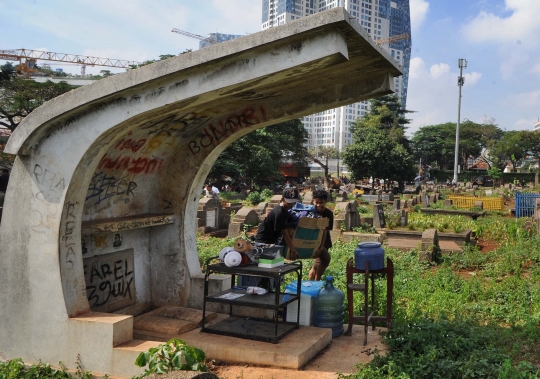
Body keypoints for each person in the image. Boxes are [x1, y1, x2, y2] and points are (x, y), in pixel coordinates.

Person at [255, 188, 301, 259]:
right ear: (282, 199)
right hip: (263, 244)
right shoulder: (279, 213)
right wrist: (293, 251)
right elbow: (285, 234)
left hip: (270, 242)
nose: (292, 204)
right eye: (289, 202)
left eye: (294, 202)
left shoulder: (284, 210)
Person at [308, 190, 334, 280]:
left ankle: (313, 281)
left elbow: (325, 231)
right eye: (317, 202)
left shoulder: (328, 214)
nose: (319, 205)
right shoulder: (309, 212)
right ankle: (316, 280)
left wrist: (322, 246)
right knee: (326, 259)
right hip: (312, 239)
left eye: (321, 202)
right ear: (313, 201)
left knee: (318, 263)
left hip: (324, 240)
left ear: (325, 202)